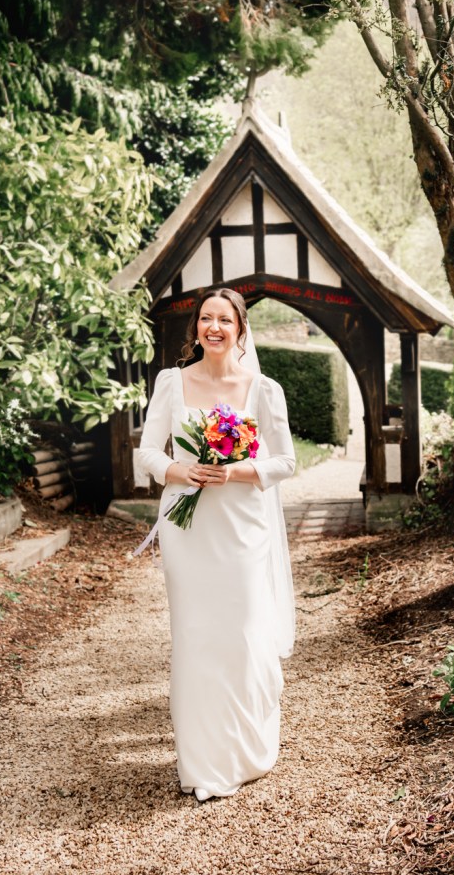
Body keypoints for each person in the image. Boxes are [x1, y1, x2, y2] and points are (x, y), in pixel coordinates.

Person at [136, 287, 296, 802]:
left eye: (224, 320)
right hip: (188, 529)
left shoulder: (263, 389)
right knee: (197, 636)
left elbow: (285, 462)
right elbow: (147, 452)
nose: (214, 327)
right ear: (197, 328)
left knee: (244, 633)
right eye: (206, 318)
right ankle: (202, 761)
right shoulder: (172, 383)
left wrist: (236, 472)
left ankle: (247, 749)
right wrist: (180, 470)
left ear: (240, 329)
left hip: (243, 526)